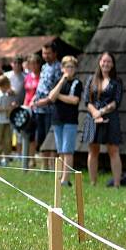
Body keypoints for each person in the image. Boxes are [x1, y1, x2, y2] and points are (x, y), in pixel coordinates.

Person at [82, 52, 123, 187]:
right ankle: (93, 183)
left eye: (109, 61)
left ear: (113, 64)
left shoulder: (117, 81)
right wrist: (95, 113)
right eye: (103, 61)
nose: (106, 64)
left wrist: (101, 112)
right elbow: (86, 100)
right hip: (92, 117)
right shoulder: (91, 79)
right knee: (93, 150)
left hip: (111, 117)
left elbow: (116, 101)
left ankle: (117, 184)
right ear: (99, 62)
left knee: (113, 150)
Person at [47, 55, 82, 186]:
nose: (70, 69)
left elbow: (74, 100)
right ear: (62, 68)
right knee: (61, 150)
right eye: (67, 66)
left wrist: (58, 96)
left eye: (72, 67)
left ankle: (65, 179)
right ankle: (61, 176)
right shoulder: (58, 80)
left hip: (70, 121)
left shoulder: (77, 83)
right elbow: (51, 96)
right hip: (58, 120)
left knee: (68, 150)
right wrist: (62, 81)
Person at [31, 41, 62, 165]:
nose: (46, 56)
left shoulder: (59, 67)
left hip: (51, 108)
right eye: (44, 53)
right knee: (41, 137)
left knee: (51, 138)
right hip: (39, 108)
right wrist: (34, 98)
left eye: (48, 53)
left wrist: (45, 101)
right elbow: (41, 86)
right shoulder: (44, 67)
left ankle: (52, 164)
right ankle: (44, 165)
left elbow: (57, 89)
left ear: (54, 53)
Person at [21, 54, 42, 168]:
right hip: (28, 108)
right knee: (29, 135)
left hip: (38, 108)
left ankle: (36, 157)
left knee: (36, 135)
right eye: (31, 63)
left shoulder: (42, 76)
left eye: (35, 63)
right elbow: (26, 93)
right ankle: (31, 158)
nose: (33, 66)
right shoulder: (28, 77)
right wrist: (24, 106)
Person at [0, 75, 17, 166]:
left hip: (6, 121)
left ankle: (6, 160)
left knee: (8, 140)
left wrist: (12, 106)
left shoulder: (6, 94)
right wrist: (7, 108)